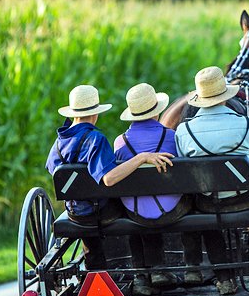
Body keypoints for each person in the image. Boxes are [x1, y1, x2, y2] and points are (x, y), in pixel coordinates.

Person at [45, 84, 173, 271]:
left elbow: (52, 169)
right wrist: (142, 157)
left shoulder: (58, 143)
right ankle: (143, 269)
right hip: (100, 212)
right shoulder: (95, 139)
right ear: (95, 113)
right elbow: (109, 179)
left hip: (75, 212)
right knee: (128, 204)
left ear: (73, 113)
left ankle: (99, 269)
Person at [175, 66, 249, 296]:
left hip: (209, 202)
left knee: (206, 216)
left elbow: (182, 167)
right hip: (246, 199)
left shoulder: (184, 130)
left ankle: (225, 279)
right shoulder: (246, 123)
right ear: (226, 95)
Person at [113, 83, 193, 296]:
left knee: (134, 209)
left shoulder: (120, 143)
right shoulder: (171, 136)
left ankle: (143, 275)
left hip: (136, 211)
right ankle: (191, 266)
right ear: (157, 111)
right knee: (190, 199)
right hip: (171, 209)